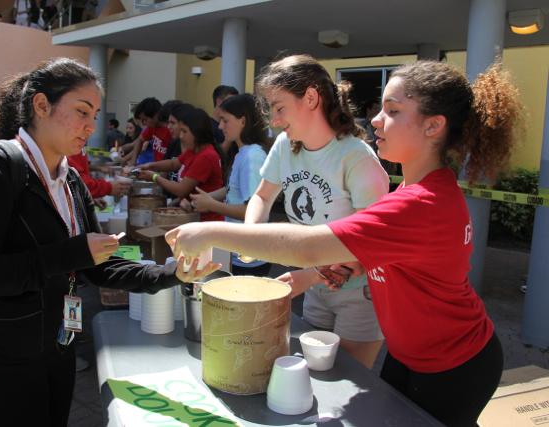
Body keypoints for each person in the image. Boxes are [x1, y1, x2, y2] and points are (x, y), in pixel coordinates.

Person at [166, 60, 522, 427]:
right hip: (412, 355)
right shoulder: (415, 190)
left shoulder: (419, 204)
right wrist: (317, 276)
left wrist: (208, 232)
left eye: (394, 111)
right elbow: (386, 257)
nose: (377, 120)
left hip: (454, 365)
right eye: (382, 109)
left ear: (434, 126)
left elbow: (308, 247)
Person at [0, 58, 216, 427]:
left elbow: (99, 265)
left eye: (95, 114)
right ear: (41, 106)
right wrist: (73, 253)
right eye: (82, 111)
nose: (91, 126)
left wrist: (172, 275)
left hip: (56, 344)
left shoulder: (70, 180)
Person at [230, 55, 390, 369]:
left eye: (279, 108)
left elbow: (368, 241)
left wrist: (309, 276)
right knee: (317, 375)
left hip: (361, 294)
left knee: (351, 380)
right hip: (317, 289)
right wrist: (250, 239)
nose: (274, 121)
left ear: (312, 98)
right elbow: (262, 197)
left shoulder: (356, 157)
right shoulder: (284, 147)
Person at [189, 94, 270, 276]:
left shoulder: (252, 156)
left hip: (250, 257)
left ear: (242, 121)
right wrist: (208, 198)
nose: (220, 126)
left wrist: (211, 204)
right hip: (238, 251)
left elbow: (251, 210)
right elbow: (233, 189)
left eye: (225, 121)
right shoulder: (243, 152)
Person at [137, 108, 224, 221]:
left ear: (197, 132)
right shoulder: (193, 150)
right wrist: (151, 165)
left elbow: (181, 189)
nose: (181, 136)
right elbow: (174, 163)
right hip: (192, 215)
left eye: (184, 131)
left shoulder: (206, 156)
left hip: (206, 220)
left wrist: (154, 177)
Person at [120, 97, 172, 166]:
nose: (143, 123)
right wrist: (133, 160)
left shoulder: (170, 131)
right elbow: (139, 140)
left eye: (145, 119)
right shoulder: (152, 127)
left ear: (156, 115)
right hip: (156, 167)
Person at [211, 85, 239, 152]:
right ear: (219, 102)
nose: (234, 106)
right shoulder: (207, 127)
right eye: (231, 101)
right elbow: (217, 155)